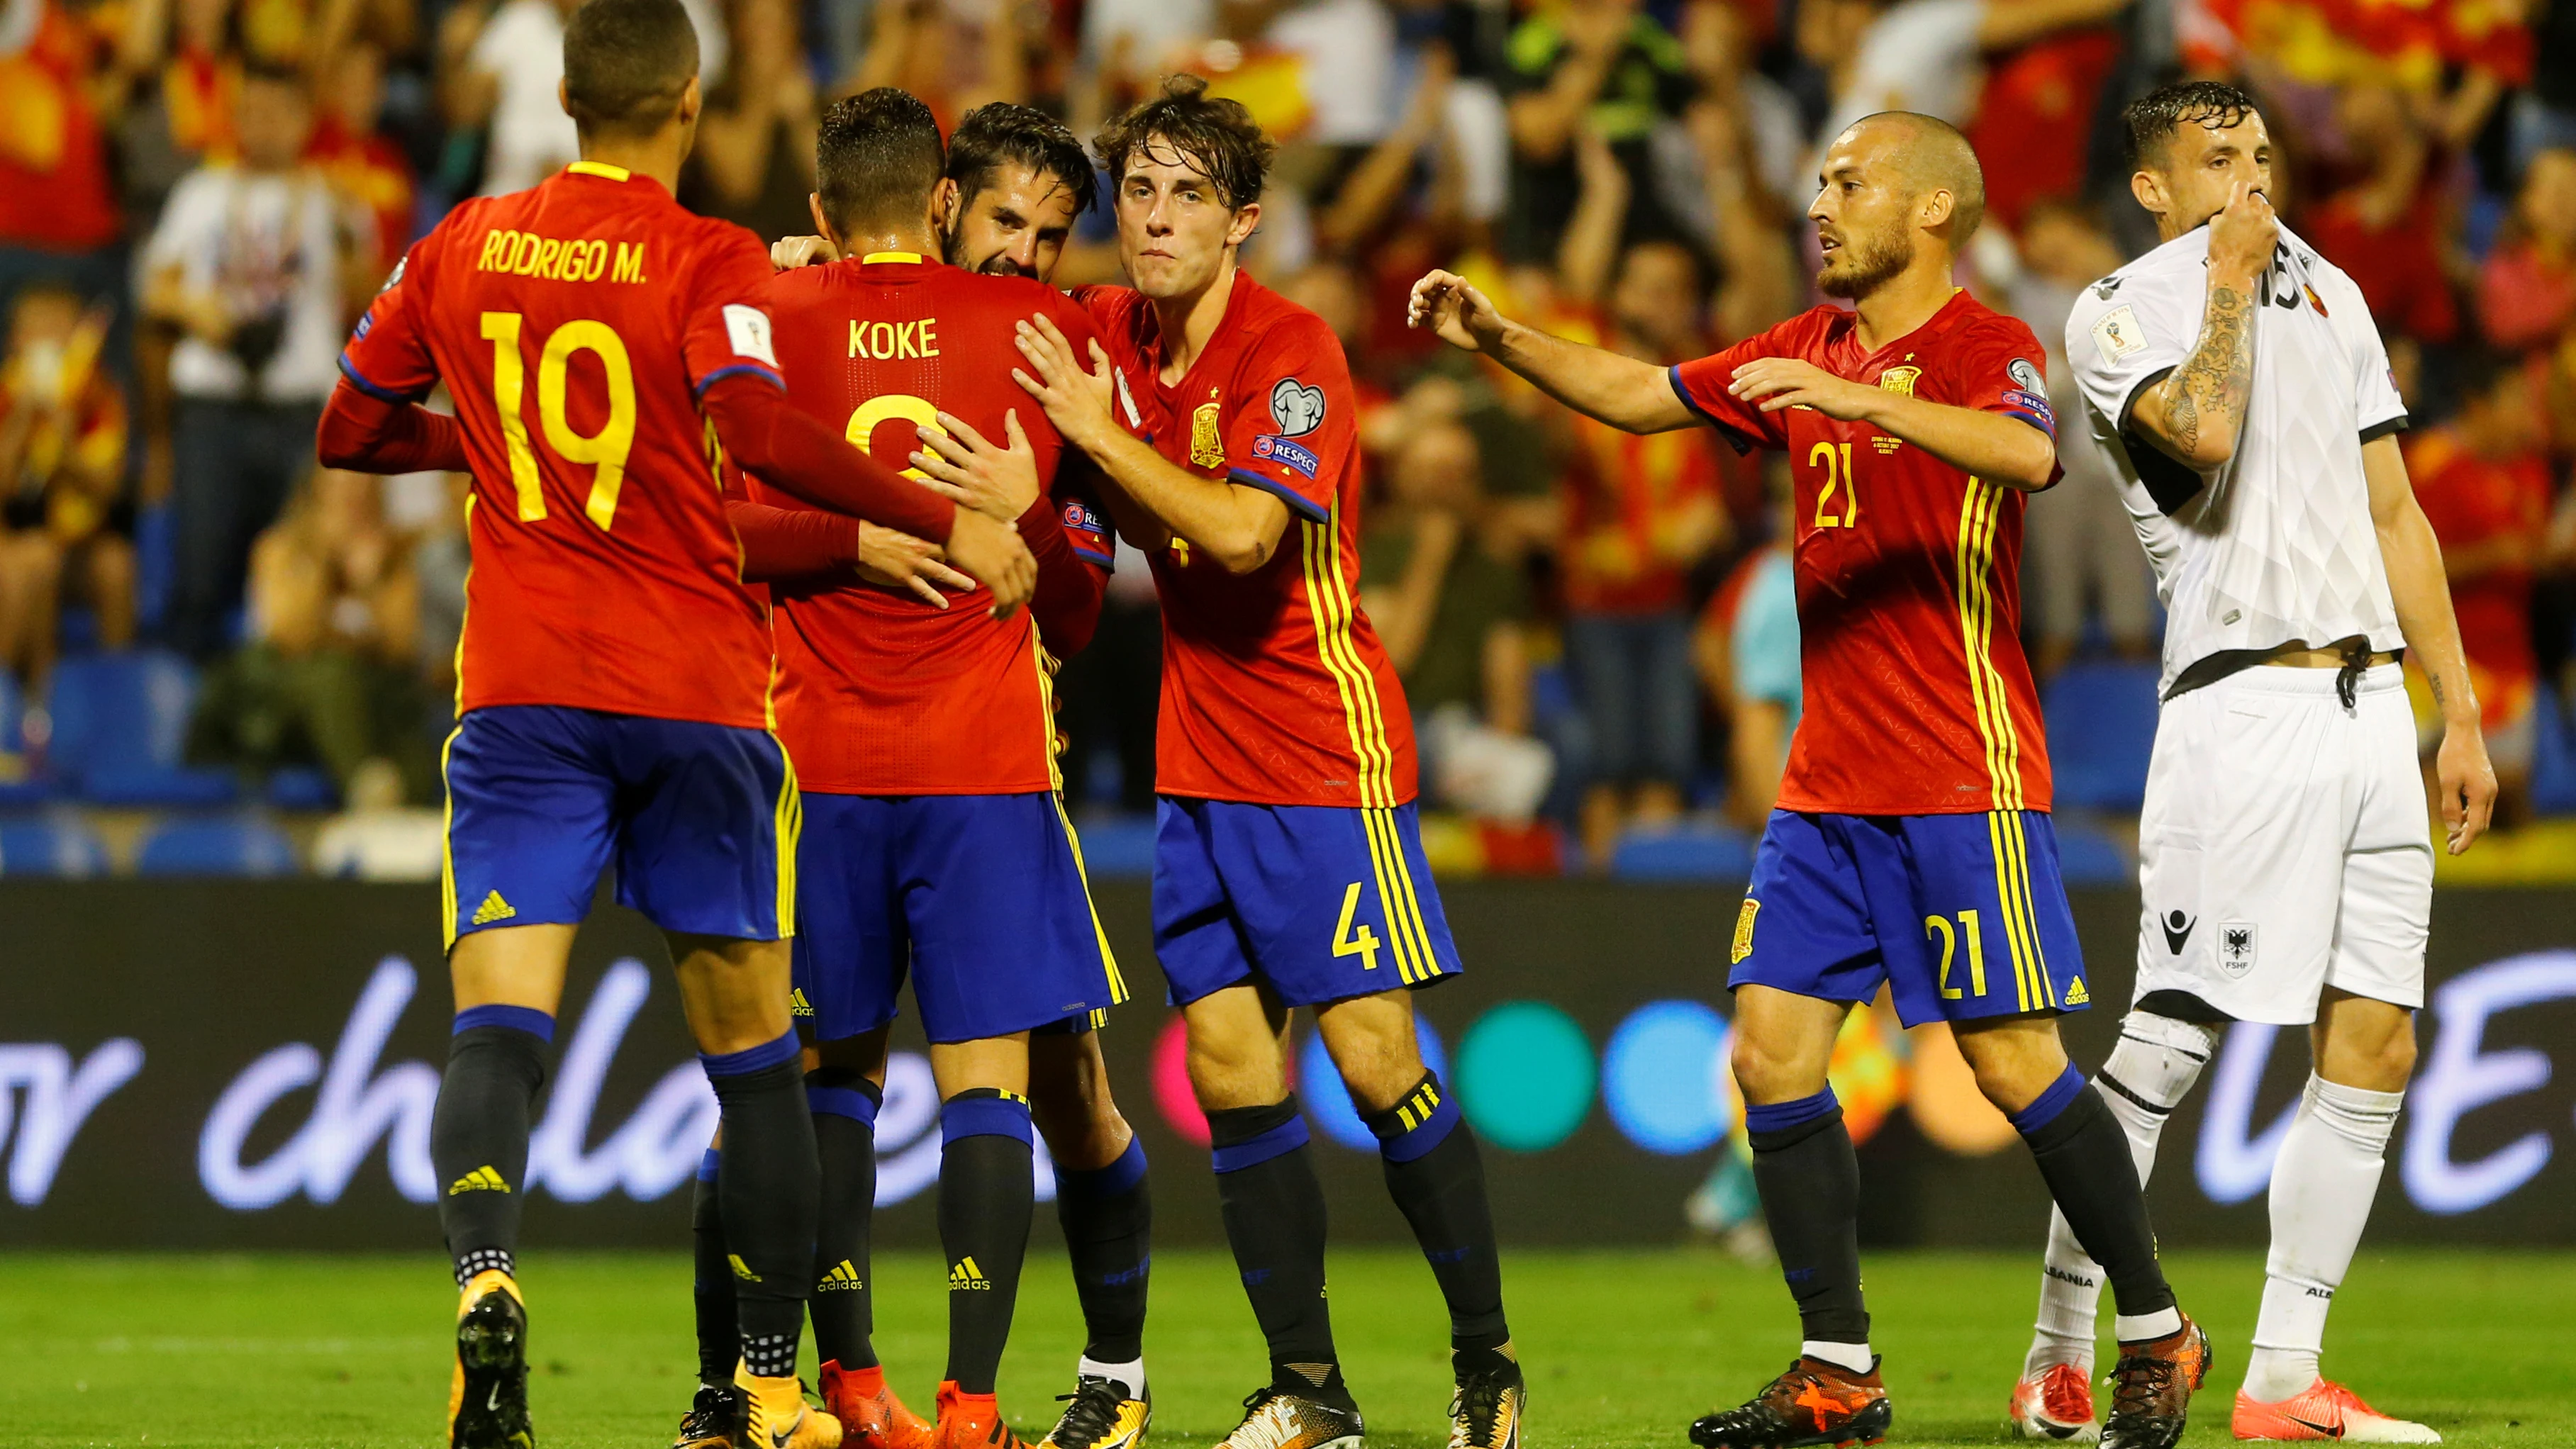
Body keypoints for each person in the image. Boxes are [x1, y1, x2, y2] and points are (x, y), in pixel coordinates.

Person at [1412, 109, 2208, 1449]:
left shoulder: (1984, 349)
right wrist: (1502, 339)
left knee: (2013, 1064)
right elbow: (1640, 392)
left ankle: (2153, 1327)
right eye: (1820, 179)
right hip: (1825, 784)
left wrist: (1864, 401)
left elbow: (2024, 453)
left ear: (1934, 209)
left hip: (1960, 769)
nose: (1820, 201)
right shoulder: (1797, 343)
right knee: (1770, 1052)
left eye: (1849, 181)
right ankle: (1836, 1365)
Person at [314, 1, 1035, 1443]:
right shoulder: (707, 258)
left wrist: (495, 443)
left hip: (521, 692)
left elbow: (351, 425)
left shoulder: (460, 240)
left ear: (570, 95)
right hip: (695, 695)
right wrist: (942, 506)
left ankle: (487, 1280)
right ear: (693, 104)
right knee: (756, 1057)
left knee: (499, 1034)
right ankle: (770, 1383)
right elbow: (761, 436)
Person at [1008, 74, 1527, 1449]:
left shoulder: (1292, 352)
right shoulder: (1105, 330)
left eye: (1189, 194)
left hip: (1317, 744)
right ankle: (1311, 1388)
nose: (1156, 217)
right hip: (1196, 753)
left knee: (1371, 1062)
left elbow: (1243, 537)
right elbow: (981, 313)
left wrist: (1095, 433)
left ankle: (1486, 1362)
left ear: (1242, 220)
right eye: (1139, 190)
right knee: (1233, 1067)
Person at [2025, 80, 2496, 1445]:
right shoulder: (2121, 306)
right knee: (2168, 1041)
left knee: (2377, 1037)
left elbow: (2395, 511)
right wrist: (2228, 279)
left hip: (2368, 714)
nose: (2249, 176)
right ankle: (2059, 1344)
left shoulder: (2337, 295)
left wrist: (2453, 711)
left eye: (2261, 152)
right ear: (2155, 188)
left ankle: (2286, 1373)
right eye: (2214, 157)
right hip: (2237, 707)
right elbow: (2203, 433)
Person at [674, 90, 1132, 1449]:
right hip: (983, 763)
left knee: (820, 1082)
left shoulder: (766, 312)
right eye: (1004, 218)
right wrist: (1008, 518)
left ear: (822, 211)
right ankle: (975, 1399)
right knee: (990, 1083)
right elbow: (1081, 606)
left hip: (814, 766)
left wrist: (845, 538)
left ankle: (845, 1385)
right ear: (943, 203)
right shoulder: (1042, 340)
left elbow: (715, 532)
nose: (1028, 251)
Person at [143, 59, 366, 660]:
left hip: (299, 412)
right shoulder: (202, 192)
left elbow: (371, 289)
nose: (261, 124)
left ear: (303, 121)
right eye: (251, 112)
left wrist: (349, 224)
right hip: (212, 408)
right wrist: (197, 310)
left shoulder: (330, 197)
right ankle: (189, 729)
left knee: (297, 576)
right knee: (200, 578)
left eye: (276, 112)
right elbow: (153, 286)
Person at [0, 284, 131, 692]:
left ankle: (116, 699)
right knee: (35, 564)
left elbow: (109, 491)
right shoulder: (5, 394)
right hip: (11, 537)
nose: (48, 344)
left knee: (116, 566)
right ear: (15, 341)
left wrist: (67, 443)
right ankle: (21, 704)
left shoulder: (97, 398)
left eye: (59, 332)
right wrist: (23, 421)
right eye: (36, 333)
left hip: (75, 540)